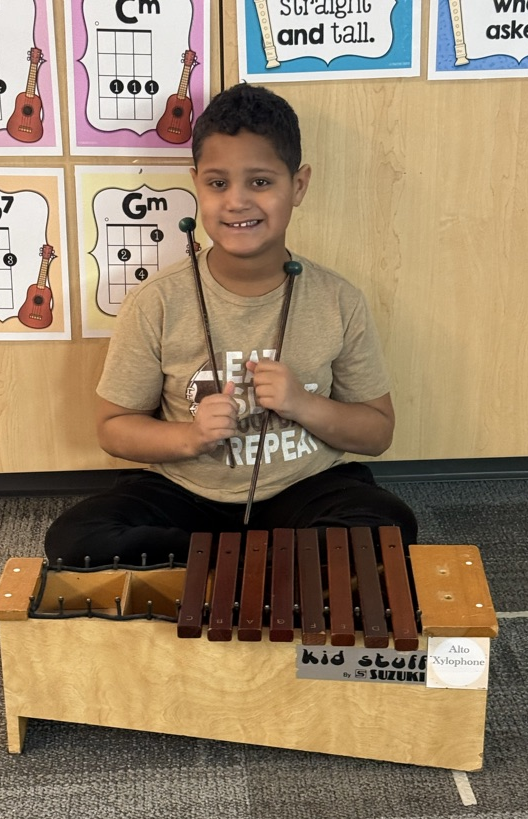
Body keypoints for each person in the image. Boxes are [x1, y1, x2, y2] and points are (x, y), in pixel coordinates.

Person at [44, 83, 417, 566]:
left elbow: (377, 432)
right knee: (75, 538)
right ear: (196, 184)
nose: (236, 201)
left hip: (302, 489)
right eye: (218, 184)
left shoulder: (338, 300)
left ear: (298, 186)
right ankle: (265, 565)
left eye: (260, 182)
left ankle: (213, 565)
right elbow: (113, 429)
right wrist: (192, 437)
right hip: (185, 492)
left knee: (389, 525)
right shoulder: (156, 302)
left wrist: (302, 404)